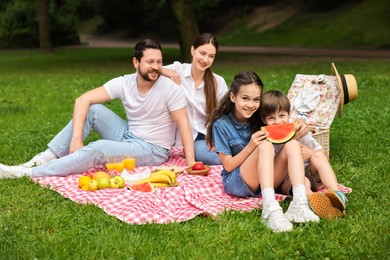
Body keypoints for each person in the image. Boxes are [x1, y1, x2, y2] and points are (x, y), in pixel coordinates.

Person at [0, 39, 195, 179]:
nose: (156, 67)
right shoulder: (125, 83)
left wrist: (191, 163)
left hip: (153, 149)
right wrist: (77, 138)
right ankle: (42, 159)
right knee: (93, 110)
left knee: (99, 148)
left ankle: (27, 173)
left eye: (159, 62)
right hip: (129, 134)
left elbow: (184, 126)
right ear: (136, 63)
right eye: (150, 62)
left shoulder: (170, 89)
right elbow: (82, 99)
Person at [206, 71, 319, 232]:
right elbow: (228, 166)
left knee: (292, 144)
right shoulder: (221, 125)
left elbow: (280, 114)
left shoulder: (257, 116)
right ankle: (269, 210)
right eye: (245, 98)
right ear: (233, 97)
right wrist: (251, 146)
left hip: (265, 181)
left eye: (256, 99)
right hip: (238, 182)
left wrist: (299, 122)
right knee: (265, 146)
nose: (251, 104)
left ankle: (298, 205)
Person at [260, 90, 348, 219]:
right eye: (271, 118)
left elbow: (323, 152)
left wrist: (310, 153)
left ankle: (338, 194)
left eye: (282, 115)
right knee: (304, 182)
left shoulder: (300, 132)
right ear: (263, 120)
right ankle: (313, 200)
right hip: (289, 180)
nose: (278, 122)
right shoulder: (266, 140)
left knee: (318, 156)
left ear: (289, 114)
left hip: (312, 174)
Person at [161, 33, 228, 165]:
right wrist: (163, 70)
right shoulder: (177, 70)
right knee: (213, 159)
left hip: (210, 135)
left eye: (211, 56)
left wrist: (218, 140)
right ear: (193, 50)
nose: (205, 59)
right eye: (202, 53)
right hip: (189, 139)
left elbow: (225, 115)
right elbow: (146, 70)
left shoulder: (218, 82)